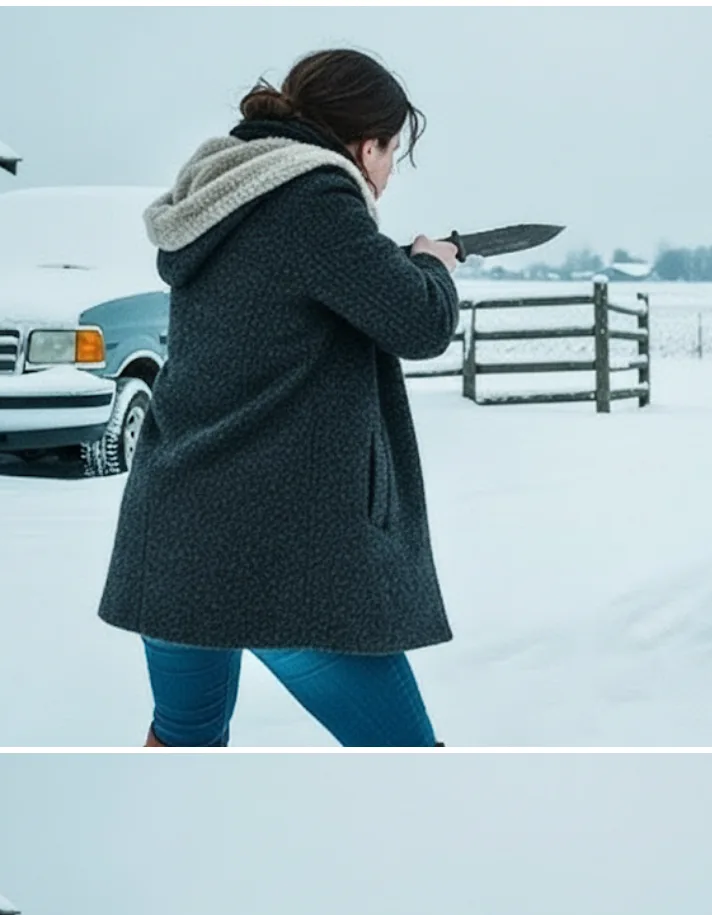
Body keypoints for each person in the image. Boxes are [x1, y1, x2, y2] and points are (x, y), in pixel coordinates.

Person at [97, 49, 461, 746]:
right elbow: (419, 323)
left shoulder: (228, 198)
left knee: (183, 741)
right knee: (405, 757)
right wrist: (430, 264)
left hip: (179, 534)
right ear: (366, 143)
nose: (385, 176)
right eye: (391, 154)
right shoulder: (314, 198)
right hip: (281, 557)